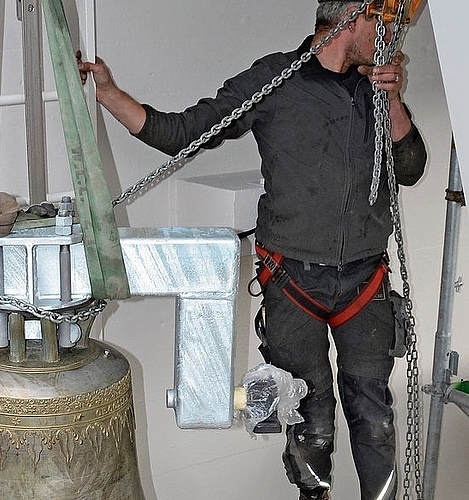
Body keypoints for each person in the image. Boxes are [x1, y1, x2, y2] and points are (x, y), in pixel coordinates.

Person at [78, 1, 426, 500]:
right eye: (385, 24)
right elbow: (181, 133)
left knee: (374, 419)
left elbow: (410, 169)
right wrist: (109, 93)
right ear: (354, 17)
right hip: (295, 281)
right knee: (311, 421)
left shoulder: (375, 88)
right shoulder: (275, 80)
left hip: (363, 282)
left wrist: (393, 100)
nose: (390, 37)